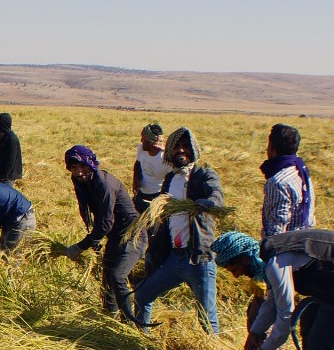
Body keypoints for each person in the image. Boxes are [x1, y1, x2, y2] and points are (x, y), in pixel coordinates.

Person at [132, 127, 225, 333]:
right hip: (173, 258)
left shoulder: (203, 175)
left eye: (186, 146)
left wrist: (209, 203)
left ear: (193, 150)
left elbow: (216, 195)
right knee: (142, 296)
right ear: (170, 151)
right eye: (177, 146)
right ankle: (140, 340)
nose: (181, 150)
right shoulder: (170, 180)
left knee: (207, 318)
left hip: (198, 258)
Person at [58, 145, 139, 320]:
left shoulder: (105, 184)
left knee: (117, 276)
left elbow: (105, 224)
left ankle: (129, 322)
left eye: (82, 166)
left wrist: (81, 246)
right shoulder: (81, 181)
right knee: (108, 277)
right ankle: (110, 317)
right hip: (115, 234)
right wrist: (94, 238)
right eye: (74, 168)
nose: (78, 172)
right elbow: (89, 213)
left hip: (132, 232)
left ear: (91, 164)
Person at [260, 122, 314, 238]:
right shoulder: (301, 170)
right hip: (305, 239)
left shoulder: (278, 182)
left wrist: (267, 246)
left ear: (271, 147)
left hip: (287, 245)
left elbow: (277, 227)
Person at [132, 123, 167, 212]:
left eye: (143, 139)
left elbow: (173, 178)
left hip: (157, 198)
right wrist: (136, 180)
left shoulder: (165, 159)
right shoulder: (141, 149)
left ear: (151, 143)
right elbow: (138, 164)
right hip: (141, 194)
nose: (141, 141)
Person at [0, 113, 22, 187]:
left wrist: (1, 177)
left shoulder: (11, 138)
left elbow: (10, 161)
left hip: (6, 178)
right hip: (2, 177)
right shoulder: (5, 137)